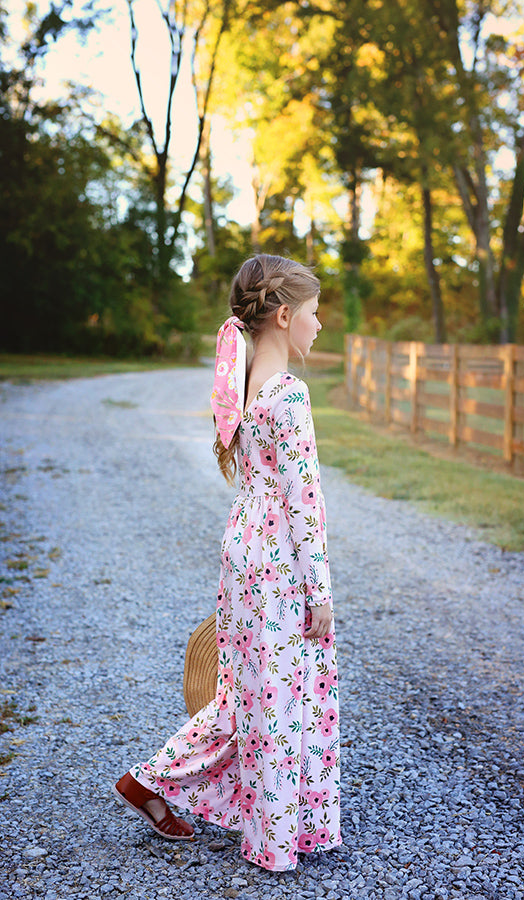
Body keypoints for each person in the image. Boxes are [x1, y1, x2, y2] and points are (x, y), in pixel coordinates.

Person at [113, 254, 341, 872]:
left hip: (243, 548)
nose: (320, 326)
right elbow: (304, 502)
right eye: (315, 313)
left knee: (247, 694)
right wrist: (319, 592)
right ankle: (273, 836)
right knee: (277, 694)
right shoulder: (288, 395)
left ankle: (150, 782)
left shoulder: (240, 388)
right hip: (278, 561)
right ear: (287, 315)